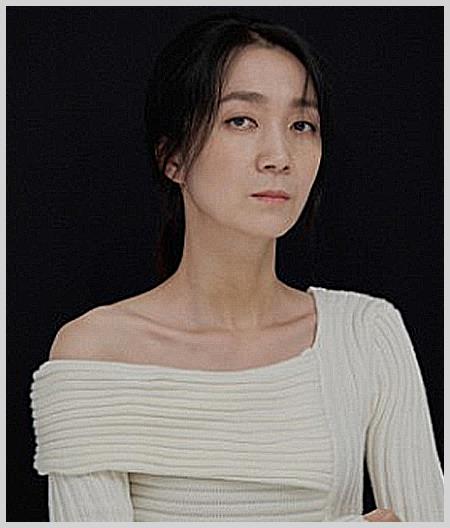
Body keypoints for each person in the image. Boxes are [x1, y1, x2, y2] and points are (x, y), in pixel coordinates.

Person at [29, 12, 443, 522]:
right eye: (241, 120)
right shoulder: (95, 352)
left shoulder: (364, 335)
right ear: (173, 157)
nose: (279, 156)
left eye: (302, 125)